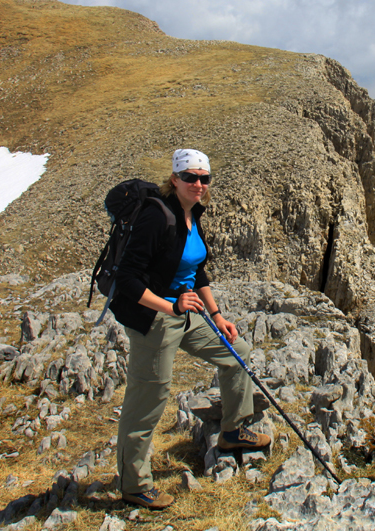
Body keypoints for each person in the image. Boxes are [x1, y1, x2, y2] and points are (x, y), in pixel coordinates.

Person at [109, 148, 271, 510]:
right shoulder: (157, 216)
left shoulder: (191, 214)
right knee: (148, 400)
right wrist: (171, 306)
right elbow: (128, 279)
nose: (198, 184)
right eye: (190, 177)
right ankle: (134, 485)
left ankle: (231, 432)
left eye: (204, 178)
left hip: (186, 313)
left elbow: (197, 271)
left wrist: (216, 315)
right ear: (174, 180)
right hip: (154, 317)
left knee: (237, 354)